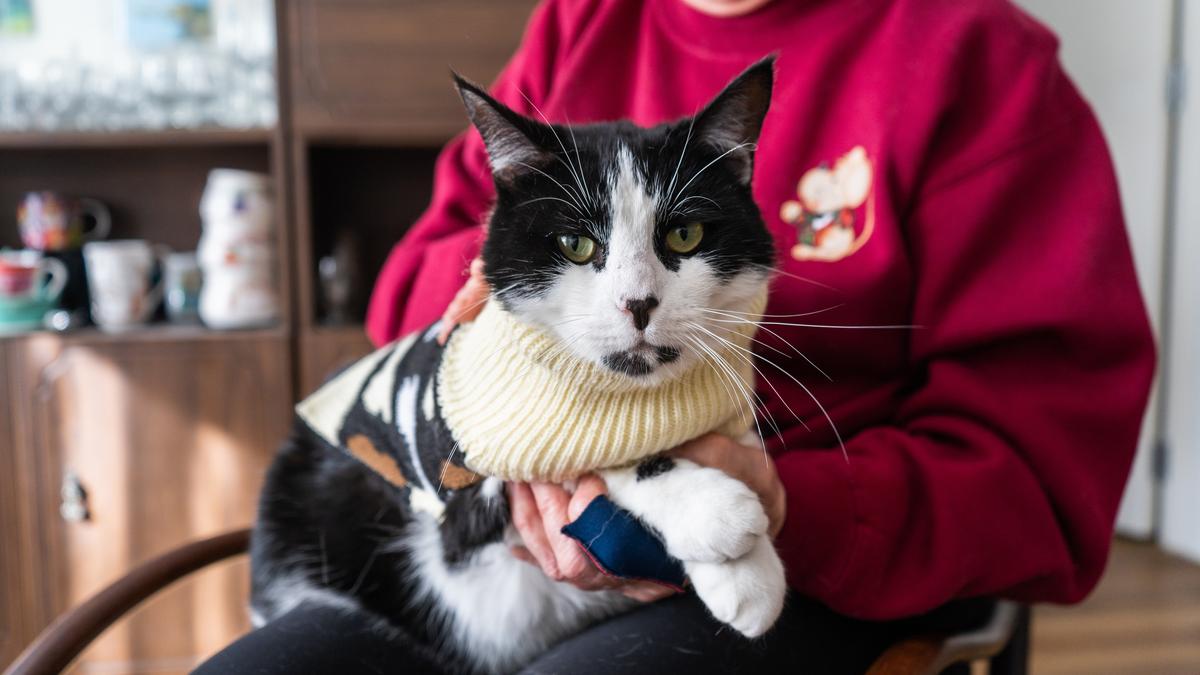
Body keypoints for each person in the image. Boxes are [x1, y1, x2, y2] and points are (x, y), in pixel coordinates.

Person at [200, 0, 1155, 672]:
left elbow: (1039, 474)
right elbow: (418, 274)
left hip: (807, 560)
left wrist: (783, 503)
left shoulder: (977, 59)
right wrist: (527, 373)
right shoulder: (585, 20)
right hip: (488, 538)